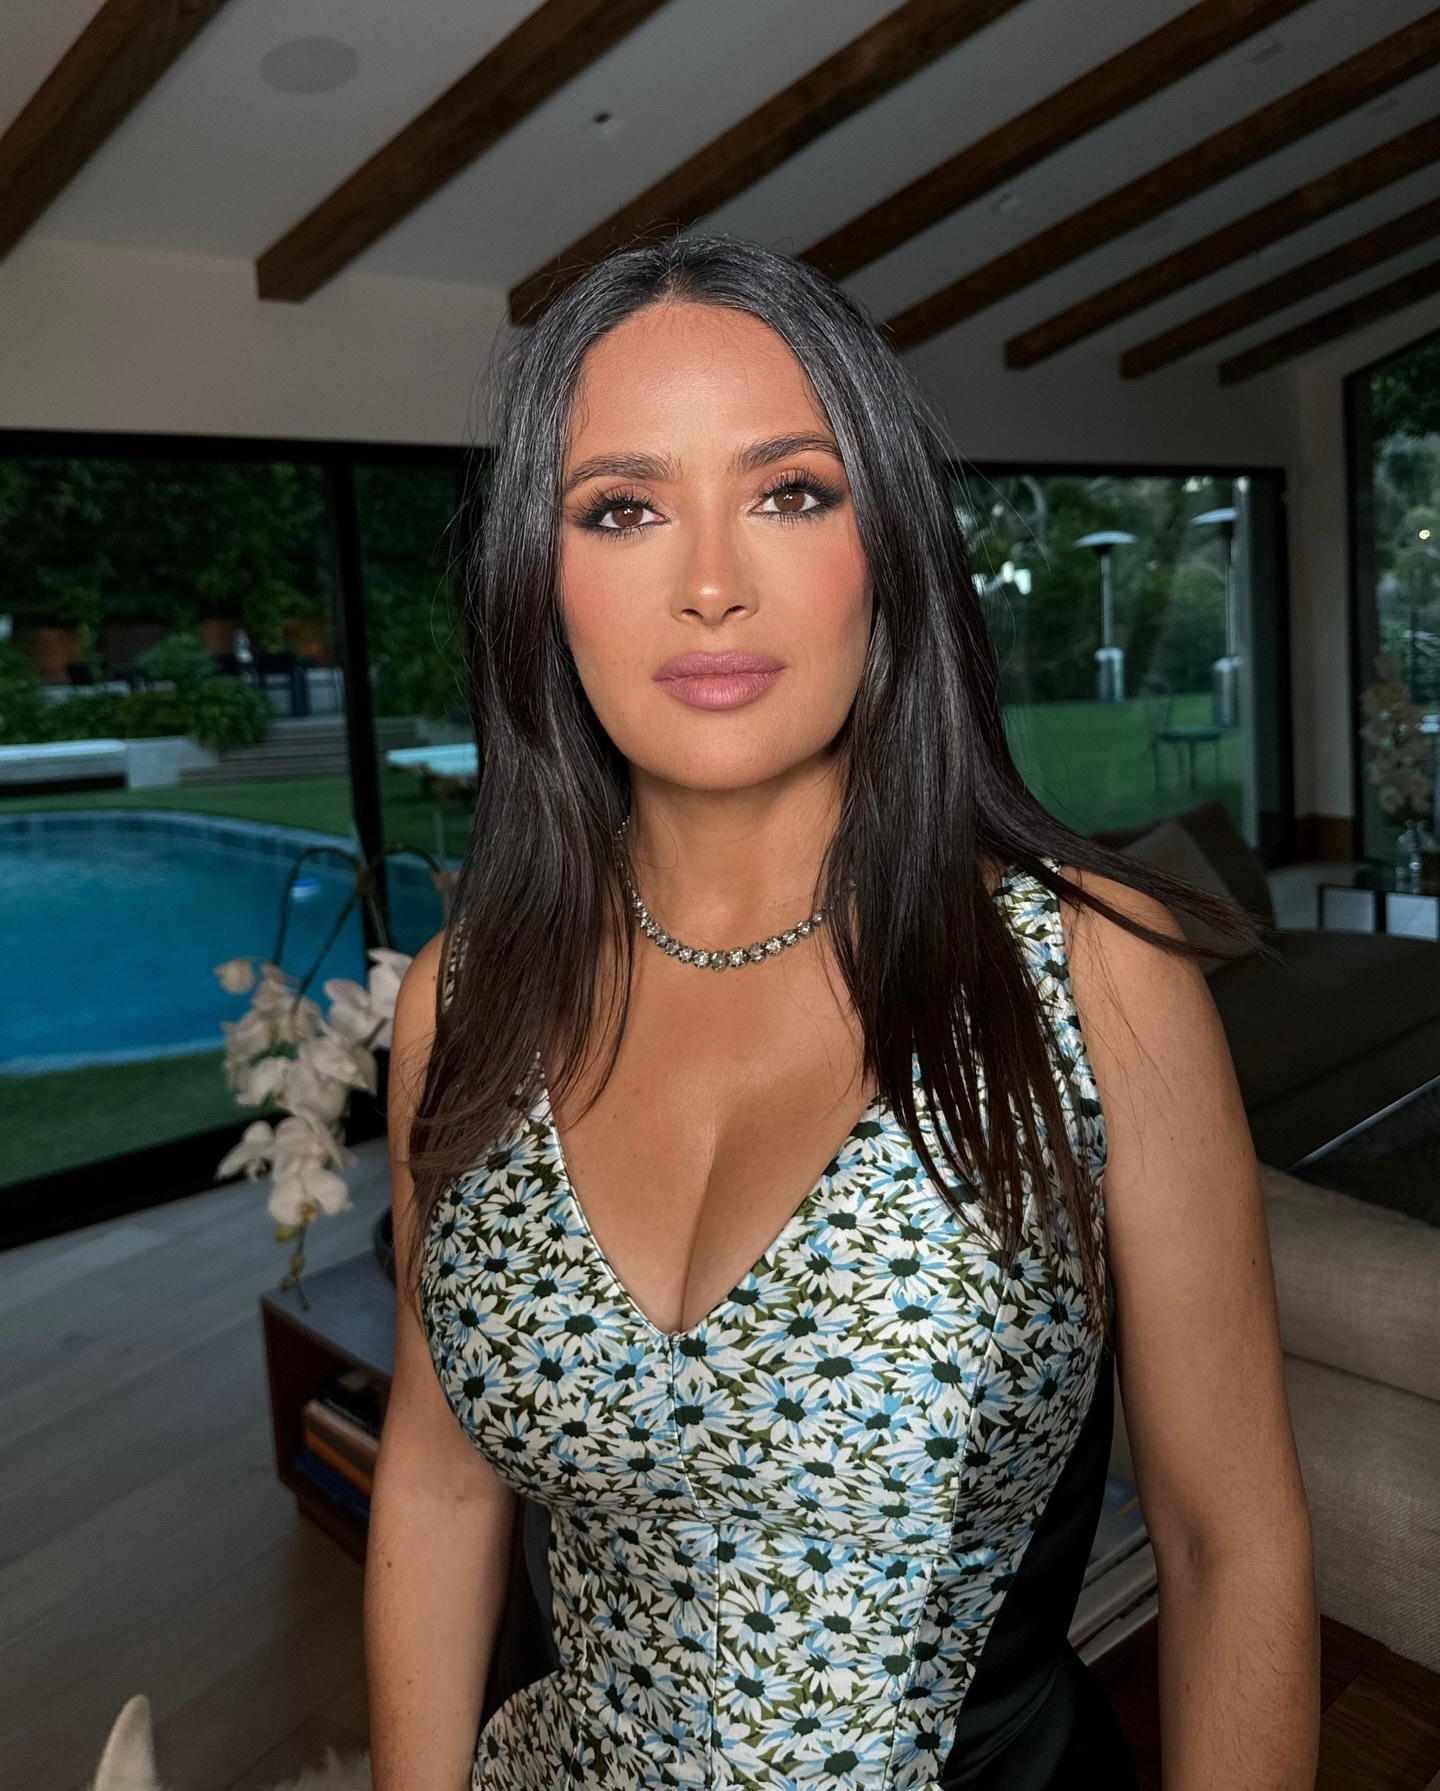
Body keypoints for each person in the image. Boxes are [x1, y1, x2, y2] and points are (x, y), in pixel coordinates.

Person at [365, 236, 1318, 1790]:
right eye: (622, 508)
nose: (711, 582)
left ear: (889, 545)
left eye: (791, 492)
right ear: (542, 581)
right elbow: (438, 1481)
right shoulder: (461, 1002)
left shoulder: (1089, 974)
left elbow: (1230, 1545)